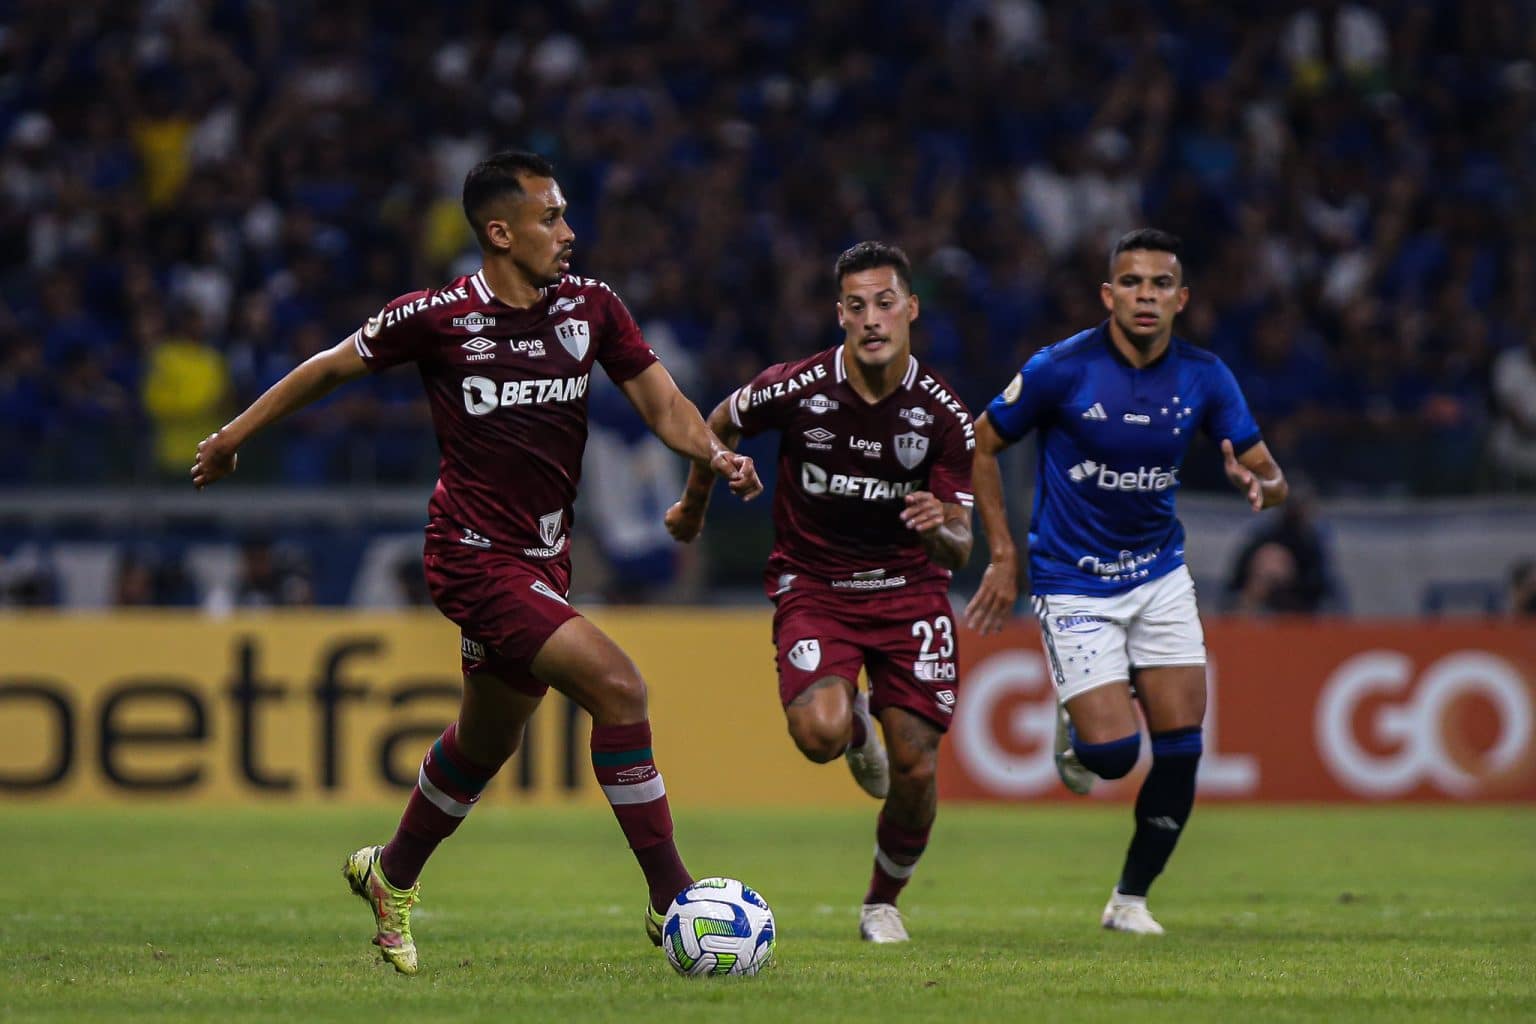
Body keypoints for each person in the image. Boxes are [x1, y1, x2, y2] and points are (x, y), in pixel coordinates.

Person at [191, 151, 762, 974]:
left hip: (543, 558)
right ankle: (675, 900)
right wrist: (233, 437)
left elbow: (664, 403)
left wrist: (715, 452)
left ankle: (391, 874)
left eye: (565, 215)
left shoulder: (592, 309)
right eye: (550, 218)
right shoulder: (438, 316)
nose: (568, 233)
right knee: (620, 687)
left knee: (485, 742)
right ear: (500, 231)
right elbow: (328, 368)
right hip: (471, 557)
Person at [965, 229, 1287, 935]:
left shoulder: (1205, 376)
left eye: (1161, 285)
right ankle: (1078, 725)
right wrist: (1001, 554)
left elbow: (1273, 476)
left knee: (1180, 747)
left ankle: (1131, 900)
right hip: (1073, 581)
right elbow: (984, 443)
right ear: (1109, 295)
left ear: (1182, 299)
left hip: (1160, 576)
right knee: (1112, 759)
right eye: (1133, 284)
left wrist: (1257, 480)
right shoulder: (1061, 369)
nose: (1147, 297)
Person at [666, 241, 975, 944]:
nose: (873, 319)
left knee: (917, 767)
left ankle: (881, 903)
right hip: (817, 586)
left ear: (911, 309)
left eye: (886, 303)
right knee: (819, 735)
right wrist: (697, 503)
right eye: (858, 305)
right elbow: (718, 422)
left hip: (910, 592)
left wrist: (941, 533)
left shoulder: (944, 416)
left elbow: (960, 540)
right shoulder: (797, 387)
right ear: (840, 315)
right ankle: (855, 724)